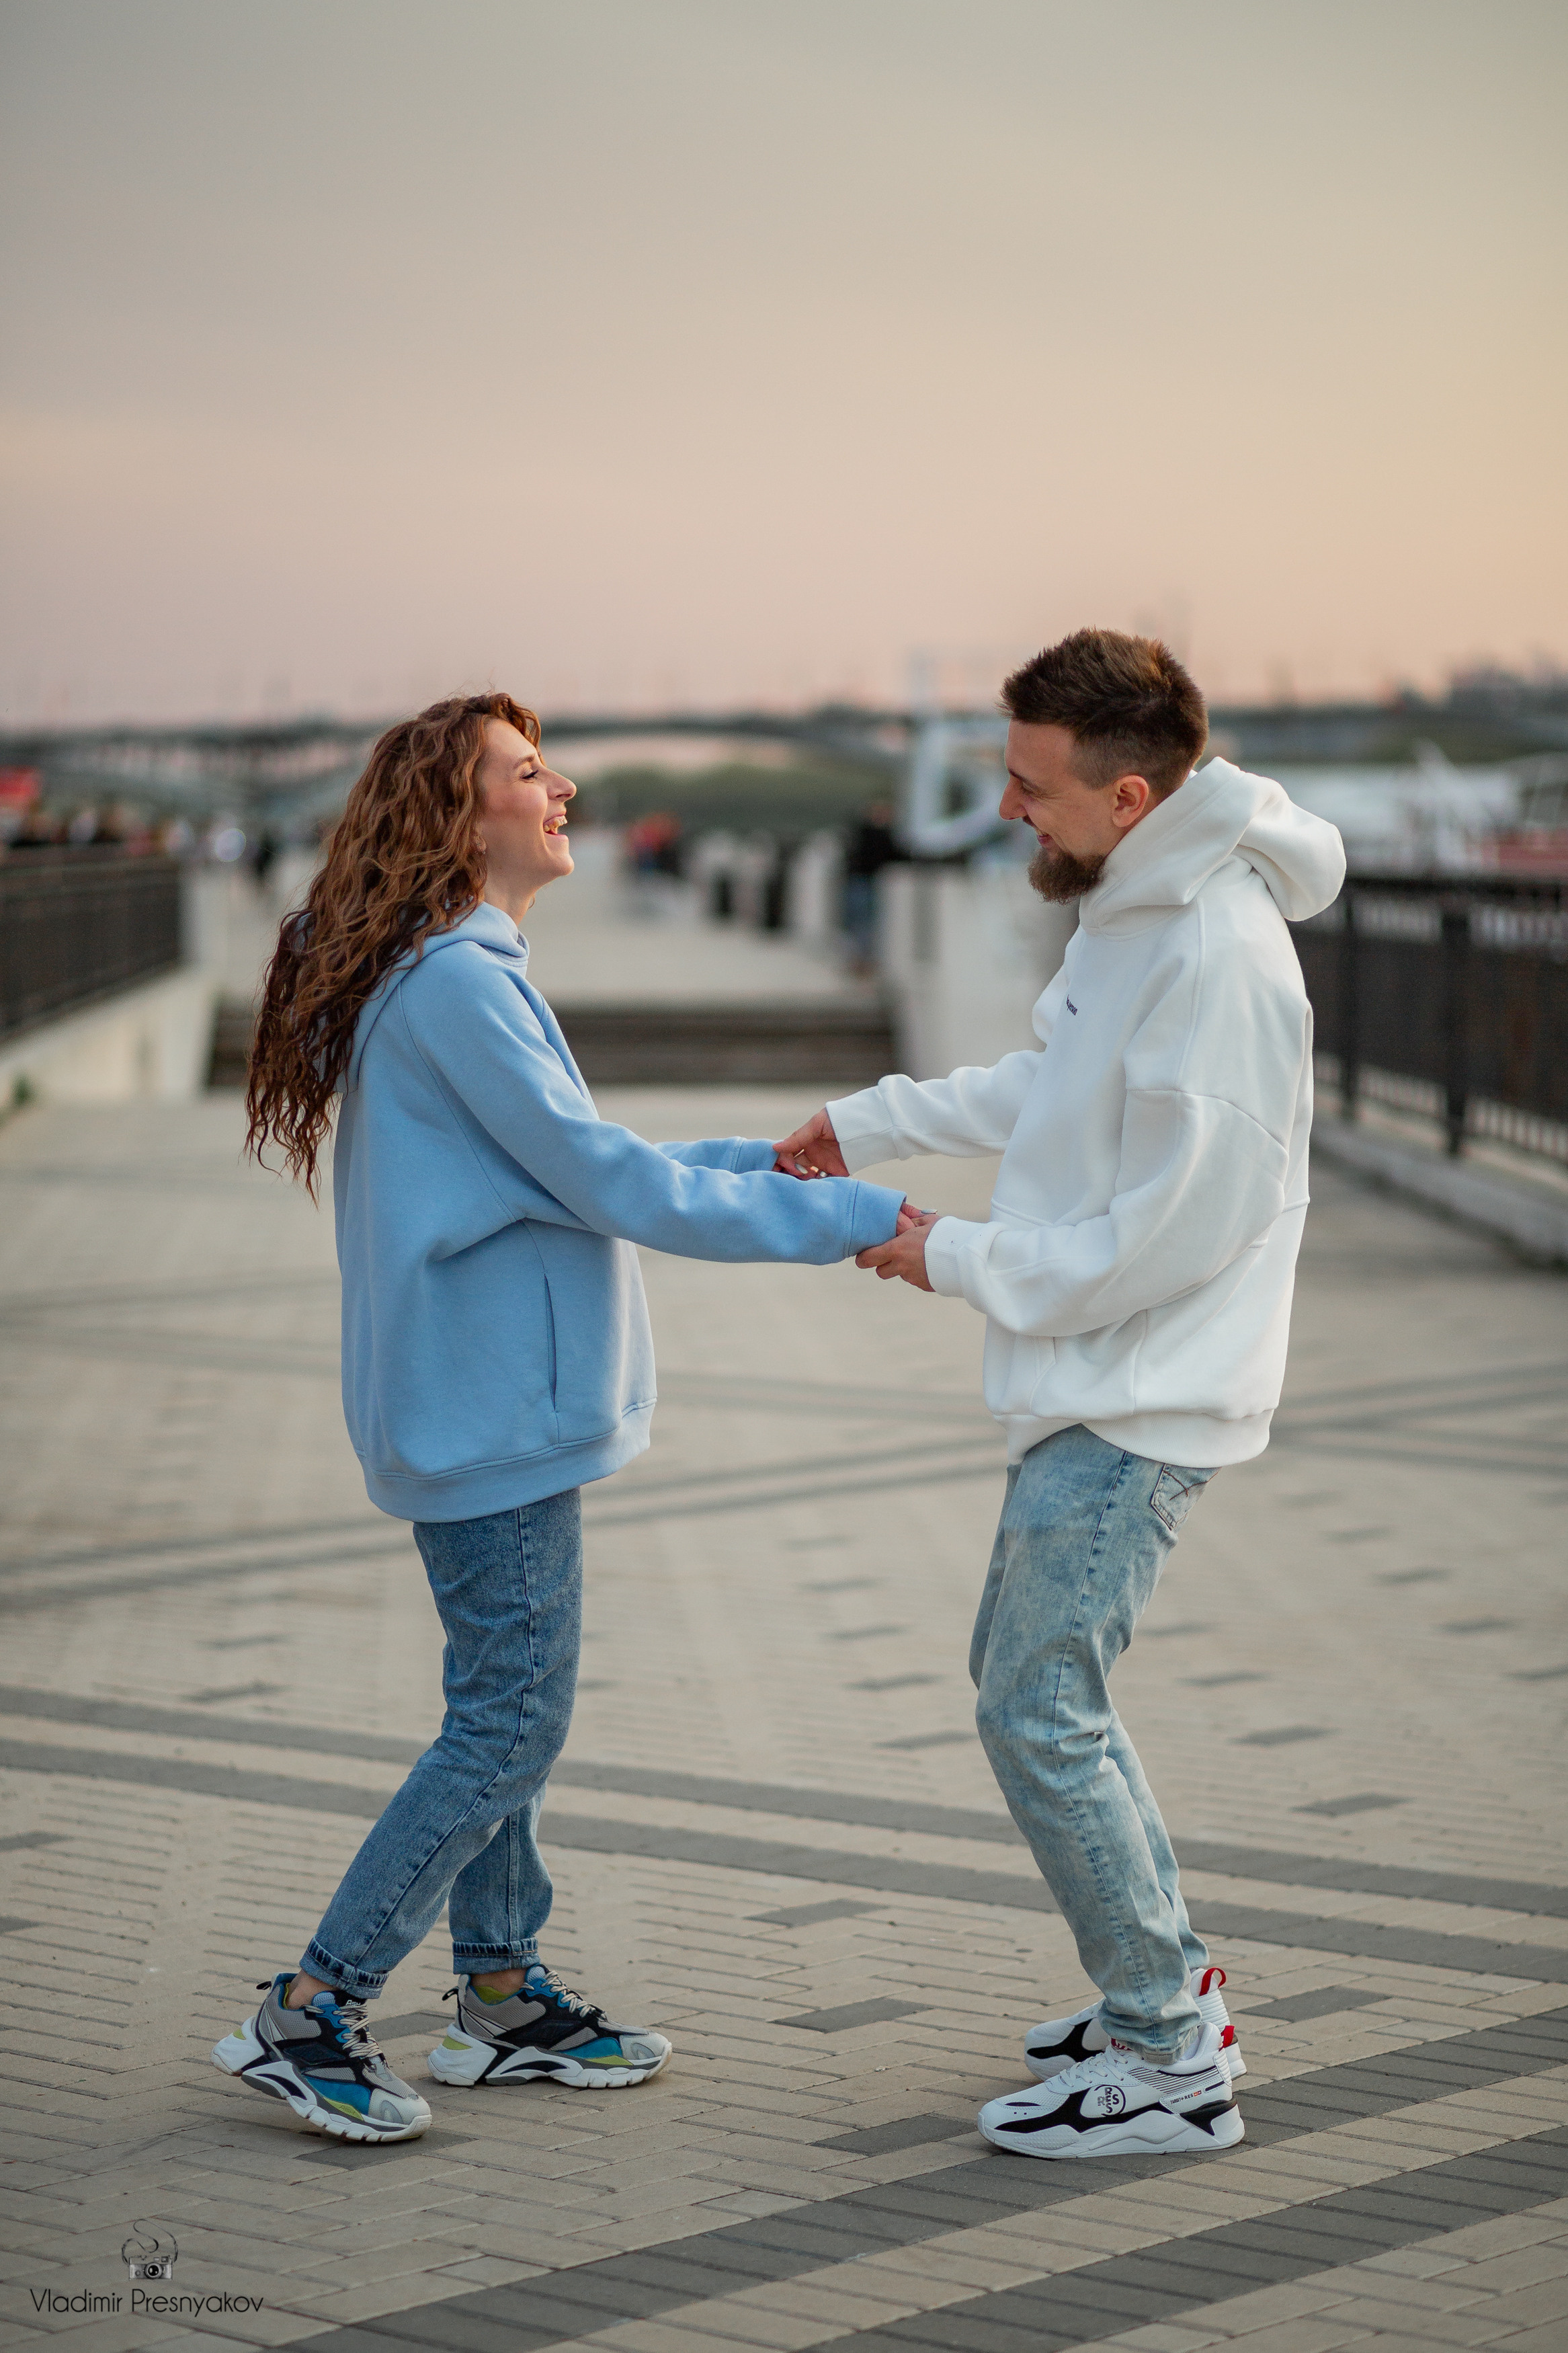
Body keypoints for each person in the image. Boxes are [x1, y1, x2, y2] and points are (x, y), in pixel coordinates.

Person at [216, 691, 909, 2145]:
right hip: (485, 1416)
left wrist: (761, 1167)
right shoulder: (460, 984)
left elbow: (579, 1162)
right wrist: (841, 1213)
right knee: (508, 1724)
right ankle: (314, 2005)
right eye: (530, 774)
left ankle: (501, 1992)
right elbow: (608, 1185)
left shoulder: (455, 972)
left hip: (483, 1406)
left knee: (503, 1713)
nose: (566, 788)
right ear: (458, 820)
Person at [775, 629, 1345, 2161]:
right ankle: (1167, 1988)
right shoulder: (1132, 914)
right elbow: (1047, 1082)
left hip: (1146, 1396)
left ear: (1133, 791)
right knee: (1037, 1689)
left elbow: (1162, 1241)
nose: (1012, 810)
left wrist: (945, 1254)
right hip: (1102, 1379)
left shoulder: (1220, 963)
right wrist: (868, 1122)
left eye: (1033, 787)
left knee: (1035, 1706)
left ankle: (1168, 2061)